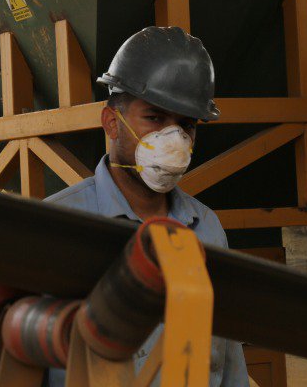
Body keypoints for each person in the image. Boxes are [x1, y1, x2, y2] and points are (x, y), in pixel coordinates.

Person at [45, 26, 248, 386]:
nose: (173, 139)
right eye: (154, 118)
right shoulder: (59, 225)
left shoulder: (206, 228)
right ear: (112, 122)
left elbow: (229, 360)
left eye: (186, 125)